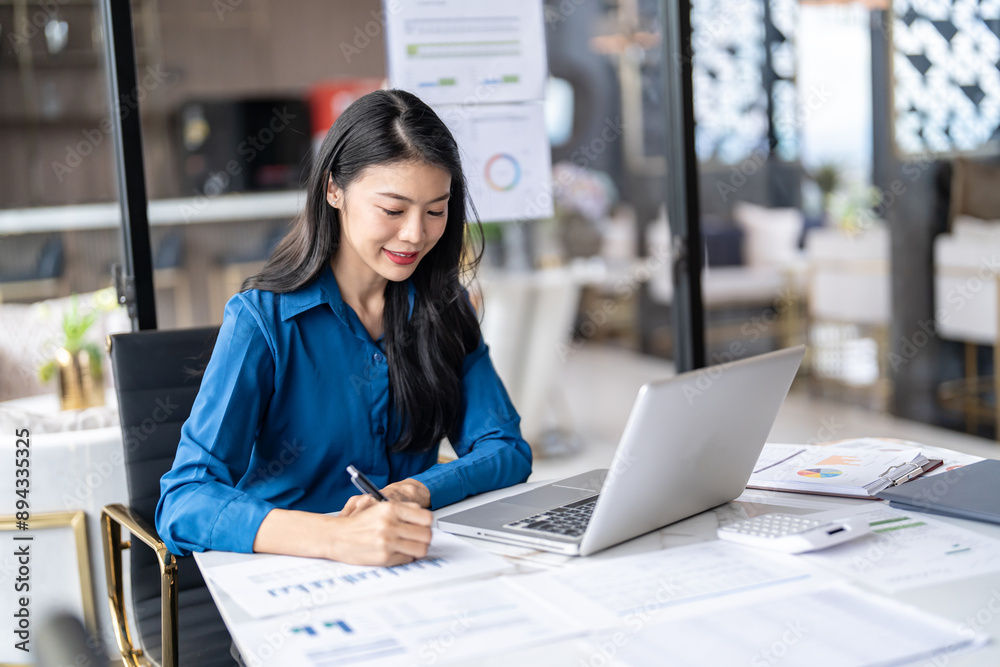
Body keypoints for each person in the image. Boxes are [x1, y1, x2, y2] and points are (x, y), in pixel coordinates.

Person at [155, 89, 532, 566]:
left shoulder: (443, 306)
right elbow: (183, 501)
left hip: (411, 570)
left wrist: (415, 490)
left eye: (435, 210)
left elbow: (506, 449)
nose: (416, 234)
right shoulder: (263, 321)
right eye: (393, 210)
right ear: (334, 189)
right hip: (291, 582)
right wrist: (335, 536)